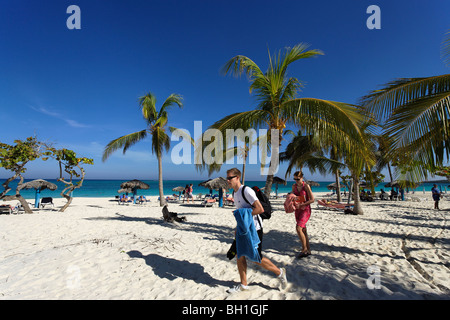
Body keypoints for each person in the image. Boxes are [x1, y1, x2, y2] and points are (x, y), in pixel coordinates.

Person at [226, 168, 287, 293]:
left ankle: (280, 272)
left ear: (237, 177)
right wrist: (238, 227)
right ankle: (243, 285)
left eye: (229, 178)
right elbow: (241, 215)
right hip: (243, 229)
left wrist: (242, 214)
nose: (227, 181)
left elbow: (260, 209)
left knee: (255, 258)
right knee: (240, 255)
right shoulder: (234, 193)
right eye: (227, 178)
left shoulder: (246, 191)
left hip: (255, 229)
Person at [292, 171, 314, 258]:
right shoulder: (294, 186)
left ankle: (304, 250)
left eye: (298, 179)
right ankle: (308, 250)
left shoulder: (306, 186)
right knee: (303, 230)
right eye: (294, 179)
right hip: (297, 210)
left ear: (302, 178)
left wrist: (303, 204)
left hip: (305, 210)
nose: (296, 181)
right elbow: (294, 197)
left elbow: (312, 199)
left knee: (298, 228)